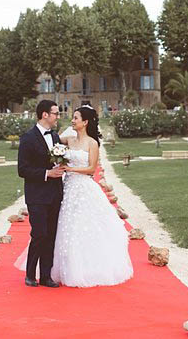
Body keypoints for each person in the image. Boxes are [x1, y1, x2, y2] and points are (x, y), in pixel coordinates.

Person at [52, 105, 133, 287]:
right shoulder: (70, 140)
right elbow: (52, 140)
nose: (72, 121)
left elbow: (91, 169)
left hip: (83, 188)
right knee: (67, 227)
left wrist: (70, 168)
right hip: (68, 188)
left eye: (76, 118)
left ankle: (88, 268)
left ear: (85, 122)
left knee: (85, 226)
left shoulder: (92, 143)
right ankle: (67, 267)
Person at [17, 100, 64, 288]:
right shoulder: (28, 138)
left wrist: (61, 168)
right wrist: (47, 174)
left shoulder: (55, 137)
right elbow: (23, 169)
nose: (57, 117)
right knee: (39, 234)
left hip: (55, 194)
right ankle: (30, 274)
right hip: (37, 195)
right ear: (45, 115)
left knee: (51, 235)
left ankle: (46, 276)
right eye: (55, 113)